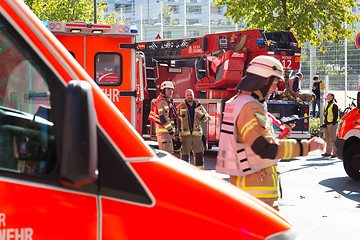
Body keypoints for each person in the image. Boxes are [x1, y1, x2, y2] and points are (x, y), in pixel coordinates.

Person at [216, 55, 325, 210]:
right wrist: (306, 146)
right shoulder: (250, 107)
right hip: (257, 196)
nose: (275, 89)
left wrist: (283, 134)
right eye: (274, 83)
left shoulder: (242, 102)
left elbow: (250, 143)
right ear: (264, 80)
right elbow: (265, 148)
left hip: (252, 190)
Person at [177, 89, 210, 169]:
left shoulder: (199, 106)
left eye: (190, 95)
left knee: (199, 156)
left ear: (193, 95)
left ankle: (200, 174)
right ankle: (185, 175)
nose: (189, 97)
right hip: (185, 137)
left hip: (197, 136)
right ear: (185, 96)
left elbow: (207, 118)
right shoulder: (180, 107)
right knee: (184, 157)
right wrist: (176, 135)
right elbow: (177, 122)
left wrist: (202, 116)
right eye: (187, 95)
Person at [148, 81, 178, 154]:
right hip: (164, 133)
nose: (171, 91)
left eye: (172, 89)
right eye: (168, 89)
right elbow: (163, 118)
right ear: (163, 90)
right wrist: (171, 132)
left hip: (166, 133)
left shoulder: (167, 100)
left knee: (168, 154)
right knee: (167, 155)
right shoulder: (162, 102)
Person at [322, 93, 340, 158]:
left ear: (332, 97)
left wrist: (333, 122)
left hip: (332, 124)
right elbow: (327, 114)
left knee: (333, 139)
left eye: (328, 95)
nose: (327, 96)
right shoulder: (327, 104)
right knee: (327, 139)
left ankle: (335, 152)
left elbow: (335, 115)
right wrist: (324, 114)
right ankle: (328, 152)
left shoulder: (334, 105)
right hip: (327, 123)